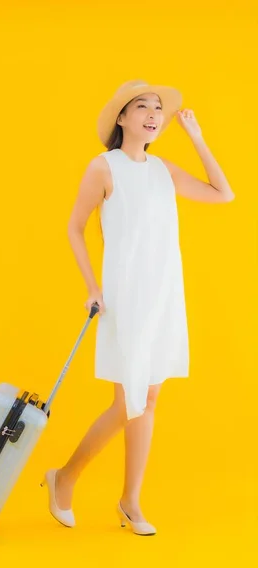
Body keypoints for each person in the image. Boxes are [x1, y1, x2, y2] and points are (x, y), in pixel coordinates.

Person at [41, 79, 235, 535]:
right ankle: (65, 478)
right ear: (122, 118)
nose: (154, 113)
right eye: (143, 106)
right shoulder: (103, 168)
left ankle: (130, 502)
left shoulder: (163, 169)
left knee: (147, 398)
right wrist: (92, 287)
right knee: (129, 400)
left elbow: (223, 193)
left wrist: (197, 137)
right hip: (124, 296)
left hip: (163, 295)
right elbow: (74, 228)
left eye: (159, 109)